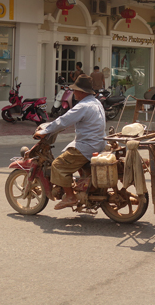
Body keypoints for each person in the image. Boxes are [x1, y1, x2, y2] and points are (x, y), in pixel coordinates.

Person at [33, 75, 106, 209]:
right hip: (99, 143)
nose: (73, 93)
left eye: (75, 90)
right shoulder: (96, 102)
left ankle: (70, 196)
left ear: (82, 92)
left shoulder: (83, 106)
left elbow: (64, 120)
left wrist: (44, 131)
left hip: (87, 146)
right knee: (70, 151)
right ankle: (82, 186)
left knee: (58, 165)